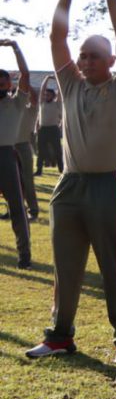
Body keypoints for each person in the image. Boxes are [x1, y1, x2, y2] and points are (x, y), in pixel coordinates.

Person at [25, 0, 116, 364]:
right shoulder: (71, 84)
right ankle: (60, 337)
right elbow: (57, 38)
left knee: (114, 267)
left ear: (110, 60)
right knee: (66, 267)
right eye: (83, 55)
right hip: (69, 187)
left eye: (94, 55)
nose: (85, 60)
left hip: (107, 186)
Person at [0, 40, 33, 267]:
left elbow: (26, 74)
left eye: (4, 82)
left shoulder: (17, 102)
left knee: (16, 207)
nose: (1, 86)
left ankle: (24, 255)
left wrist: (15, 48)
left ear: (9, 84)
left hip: (6, 157)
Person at [15, 83, 39, 221]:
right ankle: (16, 209)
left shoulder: (31, 109)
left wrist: (25, 82)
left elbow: (35, 97)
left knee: (27, 181)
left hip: (23, 147)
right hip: (8, 147)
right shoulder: (10, 108)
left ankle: (33, 210)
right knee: (11, 181)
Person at [35, 76, 63, 175]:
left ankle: (62, 170)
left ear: (53, 96)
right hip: (43, 129)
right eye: (45, 95)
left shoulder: (57, 103)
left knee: (58, 150)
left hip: (53, 129)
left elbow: (60, 91)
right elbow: (42, 90)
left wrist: (57, 80)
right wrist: (47, 78)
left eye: (49, 95)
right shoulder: (42, 103)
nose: (46, 96)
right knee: (41, 151)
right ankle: (39, 171)